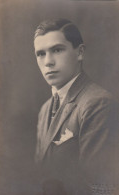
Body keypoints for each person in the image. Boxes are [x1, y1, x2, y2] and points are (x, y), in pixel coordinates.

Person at [34, 18, 119, 195]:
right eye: (40, 54)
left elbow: (101, 188)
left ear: (79, 52)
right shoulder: (45, 110)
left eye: (57, 50)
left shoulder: (98, 103)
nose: (48, 62)